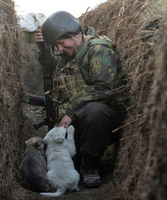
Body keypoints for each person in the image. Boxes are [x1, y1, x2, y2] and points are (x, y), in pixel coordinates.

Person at [34, 11, 129, 188]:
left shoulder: (99, 50)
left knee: (94, 110)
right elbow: (56, 72)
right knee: (64, 163)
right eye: (57, 45)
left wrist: (71, 111)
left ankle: (91, 167)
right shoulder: (70, 55)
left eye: (61, 43)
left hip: (108, 120)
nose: (60, 49)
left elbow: (104, 90)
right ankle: (81, 160)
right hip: (82, 123)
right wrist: (43, 49)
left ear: (76, 34)